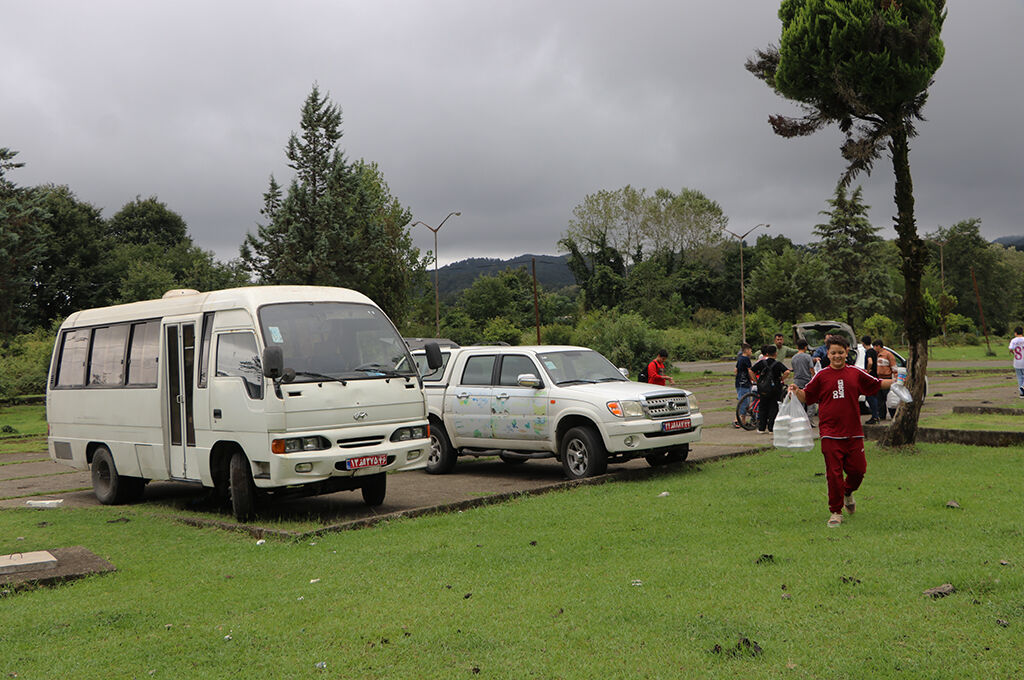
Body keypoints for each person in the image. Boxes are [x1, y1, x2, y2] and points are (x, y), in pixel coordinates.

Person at [789, 335, 893, 528]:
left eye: (841, 352)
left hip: (853, 433)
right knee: (833, 474)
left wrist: (897, 383)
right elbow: (807, 396)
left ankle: (847, 492)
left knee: (858, 471)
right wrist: (796, 391)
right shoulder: (821, 376)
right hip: (829, 433)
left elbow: (877, 384)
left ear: (847, 353)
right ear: (827, 354)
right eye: (833, 353)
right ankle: (836, 512)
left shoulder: (855, 373)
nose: (837, 356)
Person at [751, 344, 789, 434]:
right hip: (775, 389)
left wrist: (756, 380)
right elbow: (787, 371)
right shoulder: (777, 364)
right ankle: (771, 428)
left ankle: (761, 428)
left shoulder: (761, 363)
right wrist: (782, 378)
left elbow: (751, 370)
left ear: (767, 354)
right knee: (773, 407)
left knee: (763, 407)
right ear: (775, 354)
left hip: (763, 388)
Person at [873, 340, 897, 420]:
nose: (874, 348)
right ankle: (882, 415)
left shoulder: (888, 354)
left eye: (875, 346)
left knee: (889, 398)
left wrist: (895, 377)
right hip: (878, 378)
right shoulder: (875, 355)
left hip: (887, 378)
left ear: (878, 346)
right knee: (880, 398)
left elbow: (894, 366)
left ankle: (893, 415)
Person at [734, 343, 755, 428]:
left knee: (742, 400)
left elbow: (735, 370)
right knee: (744, 402)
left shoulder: (739, 359)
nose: (751, 352)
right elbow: (750, 371)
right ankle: (737, 420)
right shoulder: (746, 359)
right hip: (745, 383)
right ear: (746, 350)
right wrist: (754, 379)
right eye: (750, 350)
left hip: (739, 383)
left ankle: (743, 421)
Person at [861, 335, 880, 424]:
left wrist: (867, 371)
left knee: (870, 396)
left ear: (863, 343)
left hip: (870, 377)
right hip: (875, 376)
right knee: (873, 396)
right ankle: (876, 415)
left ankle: (875, 416)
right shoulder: (874, 351)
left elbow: (870, 362)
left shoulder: (868, 352)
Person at [1010, 326, 1024, 399]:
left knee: (1019, 377)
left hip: (1017, 361)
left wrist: (1013, 353)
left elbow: (1010, 349)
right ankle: (1022, 387)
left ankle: (1022, 393)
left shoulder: (1013, 340)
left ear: (1015, 333)